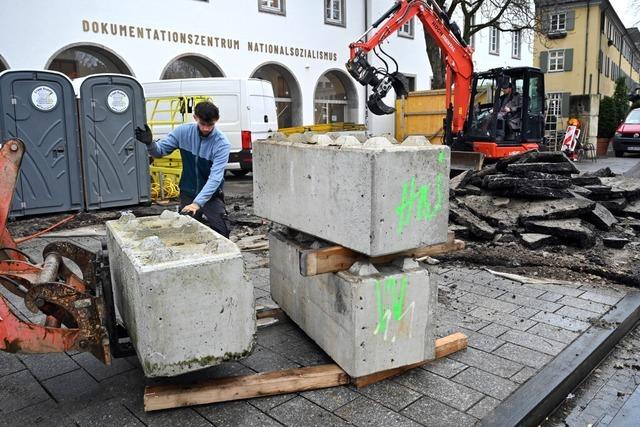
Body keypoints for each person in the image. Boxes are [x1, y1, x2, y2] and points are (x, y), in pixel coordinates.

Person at [135, 101, 231, 237]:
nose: (206, 129)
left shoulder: (221, 144)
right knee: (187, 232)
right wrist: (150, 143)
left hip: (211, 195)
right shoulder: (183, 132)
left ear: (217, 120)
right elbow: (159, 152)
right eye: (203, 124)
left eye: (210, 125)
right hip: (188, 192)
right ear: (195, 117)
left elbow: (215, 178)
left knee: (222, 230)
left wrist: (197, 203)